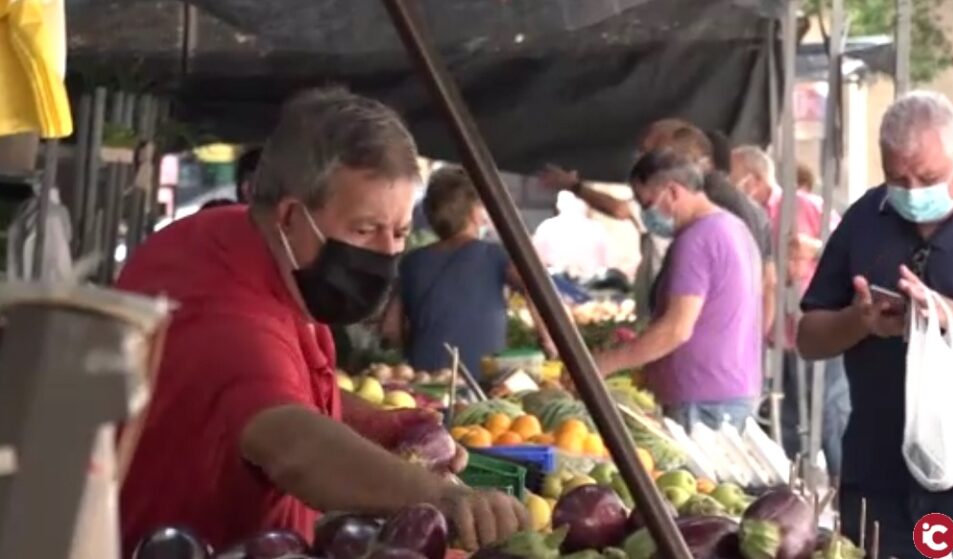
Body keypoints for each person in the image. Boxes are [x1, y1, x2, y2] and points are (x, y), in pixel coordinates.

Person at [116, 88, 528, 555]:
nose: (387, 254)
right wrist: (442, 498)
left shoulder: (244, 243)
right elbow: (296, 448)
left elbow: (275, 384)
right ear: (292, 214)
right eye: (364, 229)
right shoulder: (226, 311)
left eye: (397, 232)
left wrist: (375, 425)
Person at [797, 91, 953, 558]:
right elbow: (809, 337)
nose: (913, 192)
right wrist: (860, 321)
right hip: (879, 465)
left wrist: (942, 315)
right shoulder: (866, 219)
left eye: (928, 177)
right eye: (897, 179)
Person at [539, 120, 776, 333]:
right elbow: (768, 281)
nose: (643, 163)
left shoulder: (702, 227)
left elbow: (676, 329)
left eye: (649, 155)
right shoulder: (736, 213)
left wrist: (614, 360)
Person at [591, 149, 762, 431]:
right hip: (731, 390)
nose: (645, 214)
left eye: (646, 203)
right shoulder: (734, 227)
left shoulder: (695, 241)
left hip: (703, 401)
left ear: (672, 191)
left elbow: (676, 328)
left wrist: (605, 364)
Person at [730, 145, 849, 482]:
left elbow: (847, 250)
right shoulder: (750, 216)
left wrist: (811, 248)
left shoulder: (805, 205)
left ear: (753, 180)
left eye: (734, 178)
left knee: (830, 416)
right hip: (779, 337)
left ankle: (847, 494)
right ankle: (793, 490)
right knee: (787, 419)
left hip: (820, 329)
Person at [381, 165, 554, 377]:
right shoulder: (494, 255)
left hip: (424, 379)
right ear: (474, 213)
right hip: (483, 378)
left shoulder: (411, 262)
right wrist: (548, 338)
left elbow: (390, 330)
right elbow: (535, 288)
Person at [532, 190, 612, 279]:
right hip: (561, 285)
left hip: (579, 285)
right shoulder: (598, 229)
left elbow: (535, 265)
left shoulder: (546, 228)